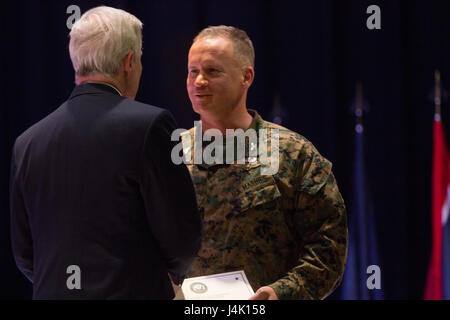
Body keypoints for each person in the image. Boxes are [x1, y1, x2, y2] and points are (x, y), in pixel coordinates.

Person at [9, 6, 202, 299]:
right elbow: (181, 239)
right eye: (139, 60)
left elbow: (25, 253)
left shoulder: (27, 142)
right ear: (128, 62)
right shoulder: (150, 125)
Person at [182, 25, 348, 300]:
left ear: (246, 76)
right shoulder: (170, 154)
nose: (199, 81)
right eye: (193, 71)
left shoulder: (294, 155)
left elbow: (328, 248)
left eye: (212, 71)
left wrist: (280, 293)